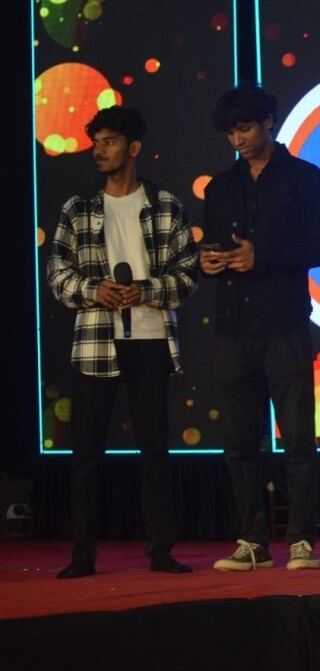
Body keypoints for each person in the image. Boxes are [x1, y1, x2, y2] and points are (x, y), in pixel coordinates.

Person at [46, 106, 199, 579]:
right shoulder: (78, 208)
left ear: (133, 148)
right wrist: (94, 290)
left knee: (154, 450)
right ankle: (82, 555)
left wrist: (146, 290)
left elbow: (188, 274)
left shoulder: (166, 204)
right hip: (96, 341)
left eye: (109, 141)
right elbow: (57, 273)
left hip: (150, 338)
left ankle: (161, 550)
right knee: (86, 453)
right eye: (96, 142)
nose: (99, 150)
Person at [201, 84, 320, 571]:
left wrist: (263, 256)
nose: (237, 139)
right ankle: (252, 541)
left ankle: (301, 541)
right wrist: (207, 263)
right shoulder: (220, 187)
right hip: (233, 327)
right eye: (230, 132)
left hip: (284, 323)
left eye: (245, 129)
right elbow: (212, 247)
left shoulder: (304, 177)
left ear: (268, 122)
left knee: (298, 439)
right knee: (240, 443)